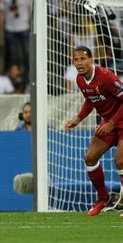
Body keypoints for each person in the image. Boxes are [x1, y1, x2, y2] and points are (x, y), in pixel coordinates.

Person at [65, 46, 123, 217]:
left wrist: (112, 123)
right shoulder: (80, 80)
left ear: (91, 59)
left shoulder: (106, 76)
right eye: (76, 59)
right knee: (90, 158)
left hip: (118, 121)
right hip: (108, 122)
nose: (79, 63)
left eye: (83, 59)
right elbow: (90, 100)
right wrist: (77, 119)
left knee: (120, 160)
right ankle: (102, 198)